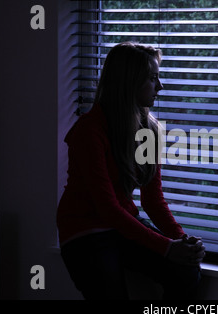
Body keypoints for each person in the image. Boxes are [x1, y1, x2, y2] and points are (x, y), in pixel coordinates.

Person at [57, 41, 205, 300]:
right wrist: (167, 247)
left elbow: (153, 199)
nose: (160, 87)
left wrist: (181, 242)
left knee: (186, 271)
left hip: (122, 227)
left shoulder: (148, 131)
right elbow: (107, 208)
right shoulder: (89, 130)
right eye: (152, 78)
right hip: (85, 233)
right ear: (129, 82)